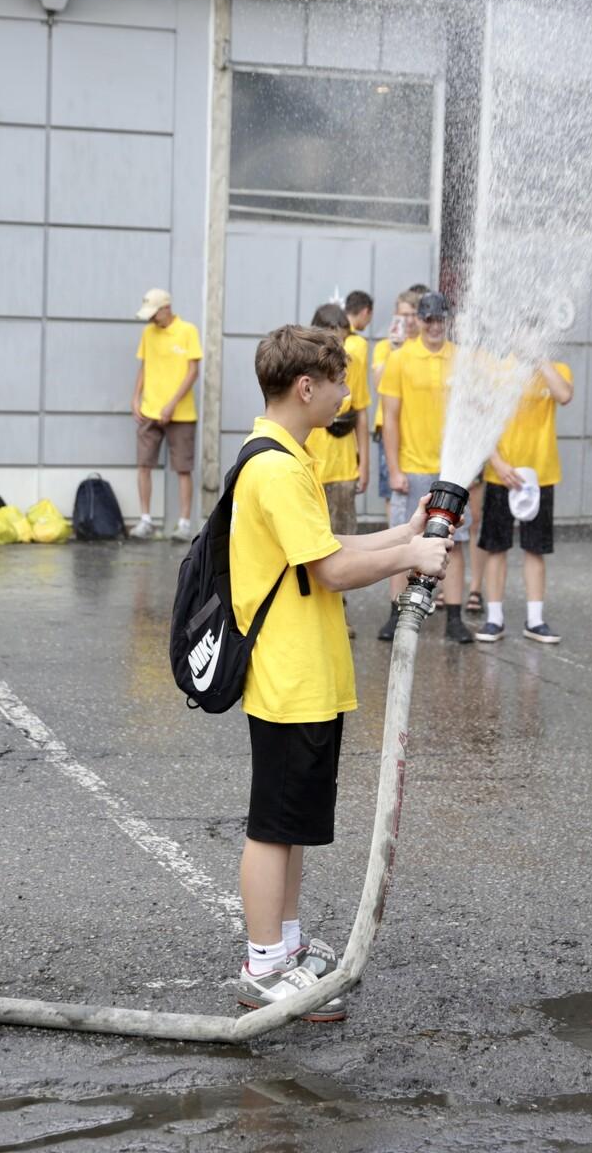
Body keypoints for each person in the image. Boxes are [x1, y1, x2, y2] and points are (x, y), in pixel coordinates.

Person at [229, 324, 452, 1015]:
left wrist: (404, 534)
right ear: (306, 387)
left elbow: (324, 545)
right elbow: (329, 569)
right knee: (274, 823)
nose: (345, 398)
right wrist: (410, 560)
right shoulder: (274, 465)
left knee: (292, 821)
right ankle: (264, 966)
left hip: (307, 674)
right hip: (288, 677)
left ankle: (286, 949)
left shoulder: (282, 455)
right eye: (338, 385)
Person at [377, 290, 473, 645]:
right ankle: (395, 612)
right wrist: (395, 468)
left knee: (456, 542)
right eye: (428, 319)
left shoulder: (462, 359)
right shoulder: (400, 359)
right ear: (417, 320)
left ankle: (455, 618)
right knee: (406, 539)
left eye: (440, 319)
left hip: (452, 471)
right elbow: (389, 417)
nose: (435, 326)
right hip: (413, 467)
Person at [476, 359, 574, 643]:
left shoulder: (558, 369)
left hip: (540, 474)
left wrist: (541, 361)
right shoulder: (495, 369)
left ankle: (535, 619)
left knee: (535, 548)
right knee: (496, 547)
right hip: (501, 474)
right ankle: (494, 618)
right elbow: (481, 420)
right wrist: (496, 462)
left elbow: (565, 396)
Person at [132, 288, 201, 541]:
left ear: (166, 308)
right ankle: (145, 520)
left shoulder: (188, 331)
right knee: (144, 465)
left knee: (183, 468)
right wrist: (135, 398)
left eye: (154, 314)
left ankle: (184, 524)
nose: (151, 319)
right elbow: (144, 366)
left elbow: (192, 372)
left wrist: (172, 404)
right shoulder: (148, 333)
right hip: (149, 410)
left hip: (181, 413)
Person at [303, 303, 369, 537]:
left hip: (343, 468)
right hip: (310, 466)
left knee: (344, 537)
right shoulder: (303, 366)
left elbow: (361, 410)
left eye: (342, 341)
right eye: (333, 342)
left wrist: (364, 464)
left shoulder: (352, 362)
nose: (339, 348)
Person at [370, 288, 423, 499]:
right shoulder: (385, 346)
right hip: (388, 425)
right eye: (403, 315)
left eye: (412, 314)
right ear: (396, 316)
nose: (408, 320)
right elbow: (378, 384)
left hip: (418, 428)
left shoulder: (426, 345)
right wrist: (395, 348)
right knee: (392, 490)